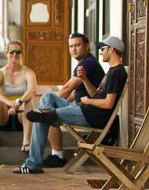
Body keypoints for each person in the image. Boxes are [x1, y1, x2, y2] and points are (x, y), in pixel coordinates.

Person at [16, 35, 127, 175]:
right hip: (86, 109)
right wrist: (85, 80)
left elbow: (108, 103)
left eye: (102, 49)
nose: (100, 52)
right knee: (48, 97)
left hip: (92, 115)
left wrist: (88, 101)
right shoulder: (111, 71)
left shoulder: (116, 73)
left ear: (111, 50)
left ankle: (33, 163)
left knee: (41, 117)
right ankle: (45, 113)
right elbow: (95, 94)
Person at [36, 32, 105, 168]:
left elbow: (67, 88)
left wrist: (52, 104)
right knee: (48, 101)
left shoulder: (87, 63)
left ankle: (57, 155)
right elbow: (75, 93)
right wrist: (56, 102)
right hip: (83, 107)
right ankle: (56, 154)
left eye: (77, 45)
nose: (73, 49)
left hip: (89, 112)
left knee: (48, 110)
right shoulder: (87, 61)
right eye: (71, 46)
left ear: (86, 46)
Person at [0, 41, 37, 152]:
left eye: (18, 52)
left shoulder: (28, 72)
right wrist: (9, 103)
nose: (15, 55)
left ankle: (26, 141)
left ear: (22, 54)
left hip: (21, 115)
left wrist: (19, 102)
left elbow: (32, 90)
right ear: (6, 53)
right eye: (12, 52)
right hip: (5, 115)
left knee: (29, 102)